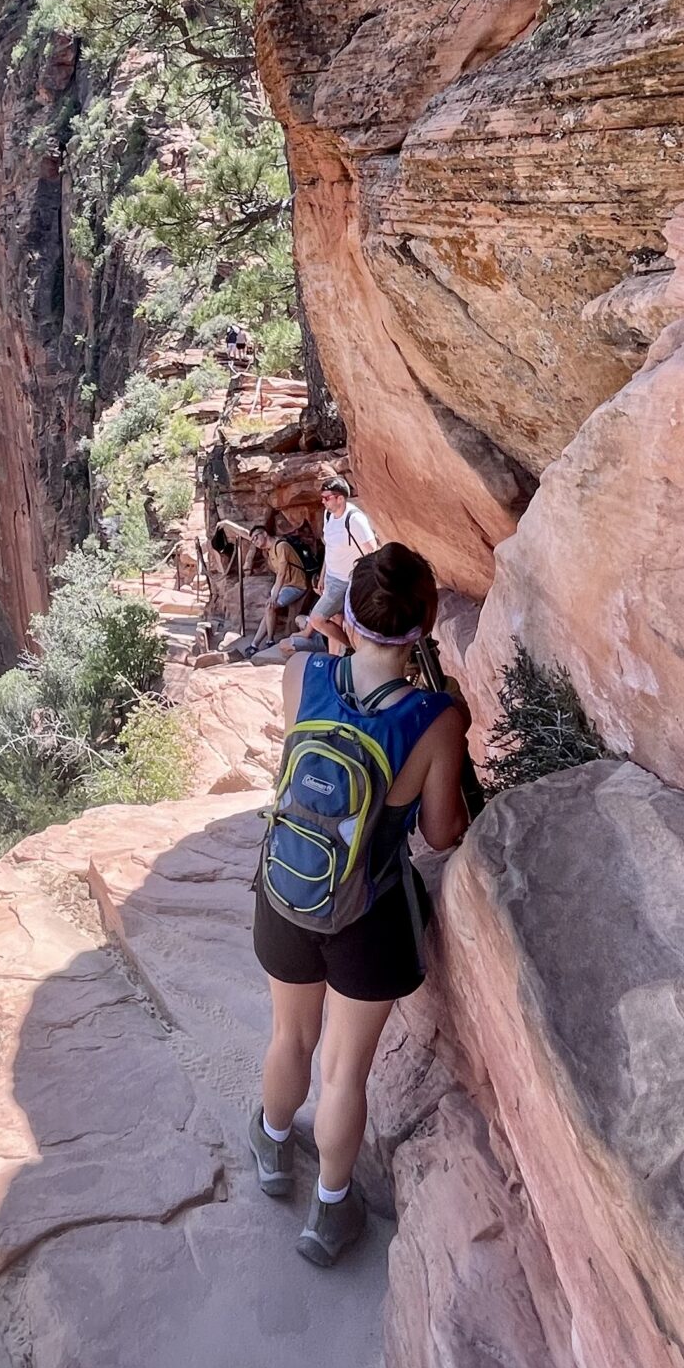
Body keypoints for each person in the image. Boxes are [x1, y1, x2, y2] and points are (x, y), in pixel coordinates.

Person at [247, 543, 470, 1266]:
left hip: (289, 889)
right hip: (366, 912)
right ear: (425, 623)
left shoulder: (299, 673)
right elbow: (440, 835)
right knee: (343, 1073)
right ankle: (329, 1214)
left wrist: (334, 646)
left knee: (290, 1039)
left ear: (346, 613)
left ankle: (273, 1147)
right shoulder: (436, 718)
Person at [291, 473, 375, 655]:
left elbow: (372, 551)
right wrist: (323, 577)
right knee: (335, 618)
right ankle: (335, 658)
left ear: (340, 498)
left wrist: (365, 581)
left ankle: (351, 649)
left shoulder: (354, 519)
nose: (323, 502)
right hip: (332, 577)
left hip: (348, 580)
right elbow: (329, 548)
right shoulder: (328, 516)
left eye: (327, 498)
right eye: (322, 498)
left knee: (317, 619)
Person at [245, 521, 311, 651]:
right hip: (286, 585)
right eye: (252, 540)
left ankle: (269, 640)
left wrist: (274, 596)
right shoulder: (269, 551)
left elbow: (281, 573)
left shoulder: (281, 546)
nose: (255, 541)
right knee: (268, 607)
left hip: (296, 585)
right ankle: (254, 644)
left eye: (256, 537)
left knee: (270, 605)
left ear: (264, 533)